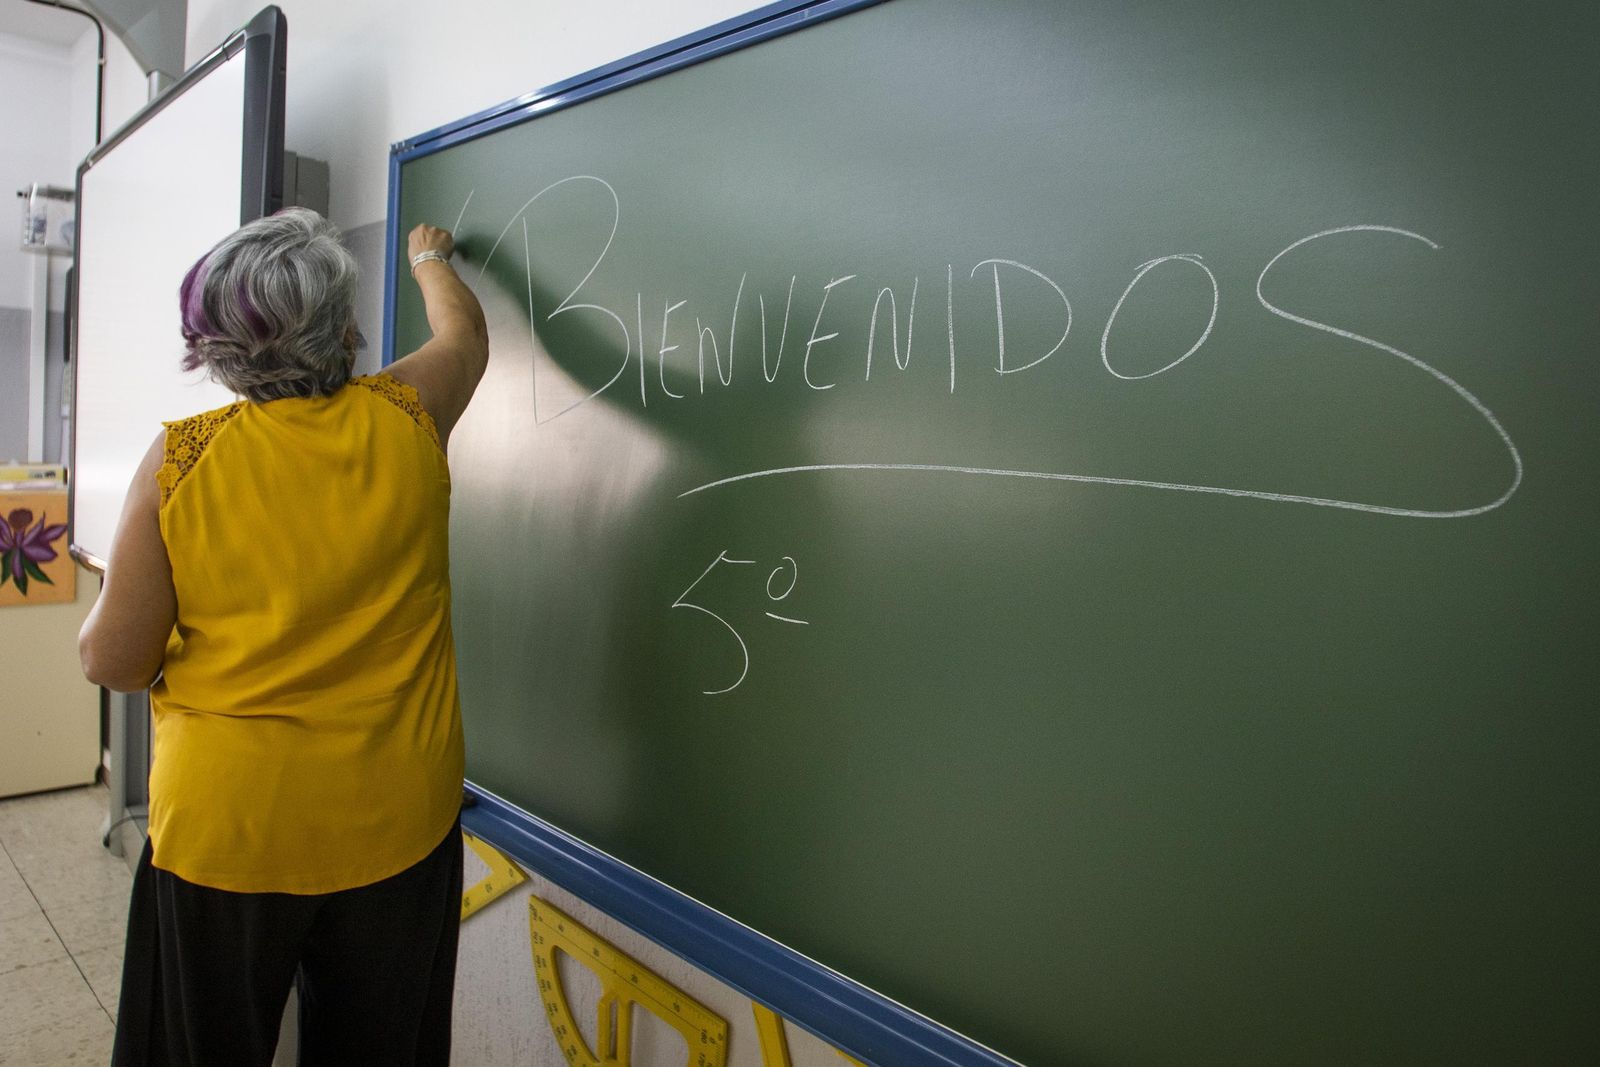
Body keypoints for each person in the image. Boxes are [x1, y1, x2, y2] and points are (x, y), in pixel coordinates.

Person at [79, 207, 489, 1066]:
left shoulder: (180, 462)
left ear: (217, 347)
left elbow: (115, 661)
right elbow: (466, 334)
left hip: (231, 829)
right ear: (341, 327)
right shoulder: (410, 416)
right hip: (396, 821)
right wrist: (427, 262)